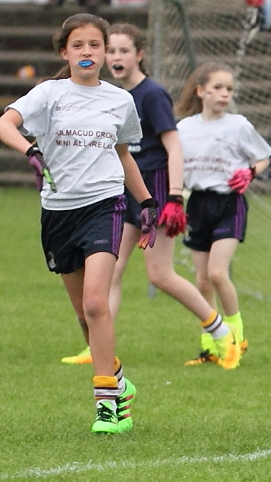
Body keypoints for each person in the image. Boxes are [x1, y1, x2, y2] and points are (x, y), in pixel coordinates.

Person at [0, 13, 155, 433]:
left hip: (104, 205)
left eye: (95, 46)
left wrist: (146, 202)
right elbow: (5, 123)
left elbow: (124, 156)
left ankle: (107, 404)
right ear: (64, 52)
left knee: (95, 303)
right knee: (84, 318)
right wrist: (31, 151)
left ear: (106, 52)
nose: (87, 53)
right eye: (78, 46)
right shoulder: (49, 94)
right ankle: (118, 378)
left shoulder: (120, 100)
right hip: (58, 212)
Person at [92, 24, 243, 371]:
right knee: (111, 271)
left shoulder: (152, 94)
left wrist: (174, 196)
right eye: (111, 51)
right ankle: (96, 346)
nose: (115, 57)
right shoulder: (111, 95)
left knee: (159, 275)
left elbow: (173, 146)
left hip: (156, 190)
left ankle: (221, 333)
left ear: (139, 54)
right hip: (128, 186)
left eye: (123, 51)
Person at [175, 62, 271, 364]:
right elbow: (173, 164)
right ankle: (213, 346)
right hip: (198, 205)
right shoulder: (183, 128)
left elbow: (264, 157)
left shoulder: (238, 125)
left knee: (218, 272)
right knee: (202, 280)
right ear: (200, 91)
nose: (223, 94)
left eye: (228, 89)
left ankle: (237, 336)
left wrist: (250, 172)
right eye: (217, 88)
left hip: (229, 203)